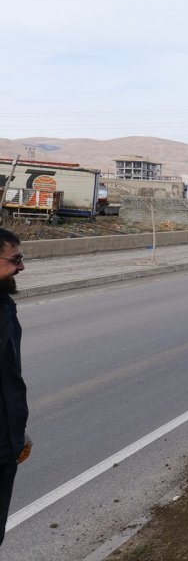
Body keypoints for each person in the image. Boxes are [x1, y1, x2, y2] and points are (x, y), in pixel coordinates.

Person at [0, 228, 30, 546]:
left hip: (5, 446)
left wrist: (16, 431)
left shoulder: (5, 306)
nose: (21, 266)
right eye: (15, 259)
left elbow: (9, 378)